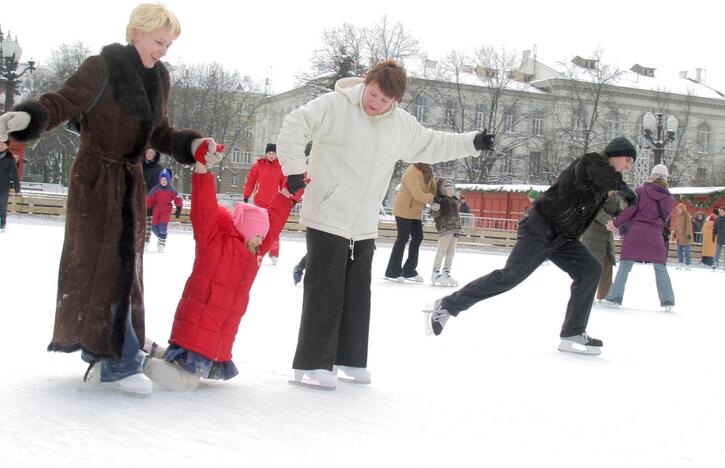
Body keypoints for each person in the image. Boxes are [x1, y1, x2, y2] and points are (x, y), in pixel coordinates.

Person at [0, 3, 222, 395]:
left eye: (169, 45)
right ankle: (116, 360)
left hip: (131, 183)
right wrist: (28, 117)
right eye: (158, 42)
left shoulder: (160, 78)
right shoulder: (99, 67)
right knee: (101, 266)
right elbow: (60, 103)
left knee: (125, 269)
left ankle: (113, 352)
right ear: (136, 32)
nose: (163, 51)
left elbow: (161, 132)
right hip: (96, 179)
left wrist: (193, 143)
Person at [277, 60, 495, 389]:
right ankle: (312, 363)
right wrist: (294, 167)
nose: (376, 103)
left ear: (396, 102)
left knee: (357, 293)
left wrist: (472, 142)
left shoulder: (399, 125)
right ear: (367, 83)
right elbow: (295, 124)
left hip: (363, 221)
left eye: (385, 100)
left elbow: (432, 143)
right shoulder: (336, 105)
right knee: (325, 290)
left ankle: (349, 358)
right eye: (374, 94)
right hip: (328, 212)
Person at [424, 136, 638, 356]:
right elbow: (600, 173)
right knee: (510, 276)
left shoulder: (604, 183)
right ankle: (448, 305)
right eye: (627, 160)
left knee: (591, 270)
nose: (629, 166)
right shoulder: (590, 162)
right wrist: (623, 187)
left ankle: (573, 332)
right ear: (614, 153)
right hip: (540, 226)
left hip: (563, 237)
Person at [143, 157, 297, 391]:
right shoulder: (214, 241)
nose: (261, 240)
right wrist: (203, 170)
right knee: (185, 382)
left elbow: (273, 222)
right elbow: (203, 208)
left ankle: (150, 349)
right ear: (245, 230)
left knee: (186, 375)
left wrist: (288, 193)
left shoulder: (253, 253)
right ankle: (137, 361)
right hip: (197, 328)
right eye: (257, 234)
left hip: (216, 338)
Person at [602, 164, 675, 311]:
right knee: (660, 268)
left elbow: (630, 211)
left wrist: (616, 224)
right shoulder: (669, 199)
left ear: (652, 176)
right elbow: (665, 219)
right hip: (655, 235)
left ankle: (614, 297)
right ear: (666, 178)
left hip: (635, 233)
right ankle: (668, 300)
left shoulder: (640, 191)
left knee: (625, 266)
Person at [384, 163, 436, 282]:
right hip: (404, 208)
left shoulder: (428, 171)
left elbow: (432, 190)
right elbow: (416, 193)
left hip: (415, 211)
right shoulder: (413, 170)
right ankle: (392, 271)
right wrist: (431, 198)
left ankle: (409, 271)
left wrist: (439, 194)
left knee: (418, 237)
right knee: (402, 238)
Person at [243, 143, 286, 264]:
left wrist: (285, 199)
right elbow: (251, 181)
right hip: (260, 202)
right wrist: (246, 195)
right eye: (269, 153)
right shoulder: (258, 166)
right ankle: (257, 251)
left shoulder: (281, 167)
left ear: (277, 154)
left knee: (273, 229)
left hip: (274, 203)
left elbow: (284, 185)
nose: (271, 155)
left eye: (273, 153)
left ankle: (274, 254)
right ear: (266, 154)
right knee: (259, 229)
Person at [580, 192, 622, 301]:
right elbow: (595, 210)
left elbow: (618, 210)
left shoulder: (615, 194)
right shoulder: (596, 190)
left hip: (607, 234)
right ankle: (585, 295)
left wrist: (627, 217)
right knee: (592, 266)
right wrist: (610, 222)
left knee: (607, 264)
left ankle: (605, 296)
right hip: (593, 232)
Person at [430, 178, 463, 287]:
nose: (450, 190)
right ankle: (435, 272)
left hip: (454, 228)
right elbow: (435, 214)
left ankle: (446, 272)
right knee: (442, 251)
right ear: (443, 190)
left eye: (451, 188)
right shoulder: (440, 200)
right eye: (447, 188)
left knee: (451, 253)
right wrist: (435, 207)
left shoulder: (455, 200)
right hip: (445, 228)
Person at [146, 168, 182, 252]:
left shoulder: (171, 189)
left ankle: (162, 241)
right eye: (162, 180)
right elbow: (149, 198)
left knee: (162, 226)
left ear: (168, 180)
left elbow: (178, 198)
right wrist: (148, 207)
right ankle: (161, 236)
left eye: (165, 180)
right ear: (159, 180)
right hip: (156, 209)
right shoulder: (156, 188)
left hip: (166, 209)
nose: (163, 181)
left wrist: (179, 208)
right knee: (154, 227)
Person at [142, 147, 168, 245]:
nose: (149, 154)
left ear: (155, 155)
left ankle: (161, 239)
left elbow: (163, 183)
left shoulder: (159, 168)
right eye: (147, 152)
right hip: (140, 196)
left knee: (152, 222)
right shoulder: (139, 165)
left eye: (151, 153)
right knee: (141, 220)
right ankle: (144, 242)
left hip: (153, 197)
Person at [0, 139, 20, 233]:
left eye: (3, 145)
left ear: (7, 146)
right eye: (0, 144)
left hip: (3, 187)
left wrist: (17, 187)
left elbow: (15, 174)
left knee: (2, 206)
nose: (1, 146)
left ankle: (2, 224)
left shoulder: (9, 157)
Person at [672, 203, 693, 270]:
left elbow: (689, 225)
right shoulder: (678, 215)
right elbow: (676, 225)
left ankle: (688, 264)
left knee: (687, 251)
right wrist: (675, 232)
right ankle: (680, 263)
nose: (678, 210)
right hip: (679, 237)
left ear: (683, 209)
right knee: (679, 251)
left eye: (679, 209)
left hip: (686, 237)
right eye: (677, 209)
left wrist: (689, 234)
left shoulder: (687, 215)